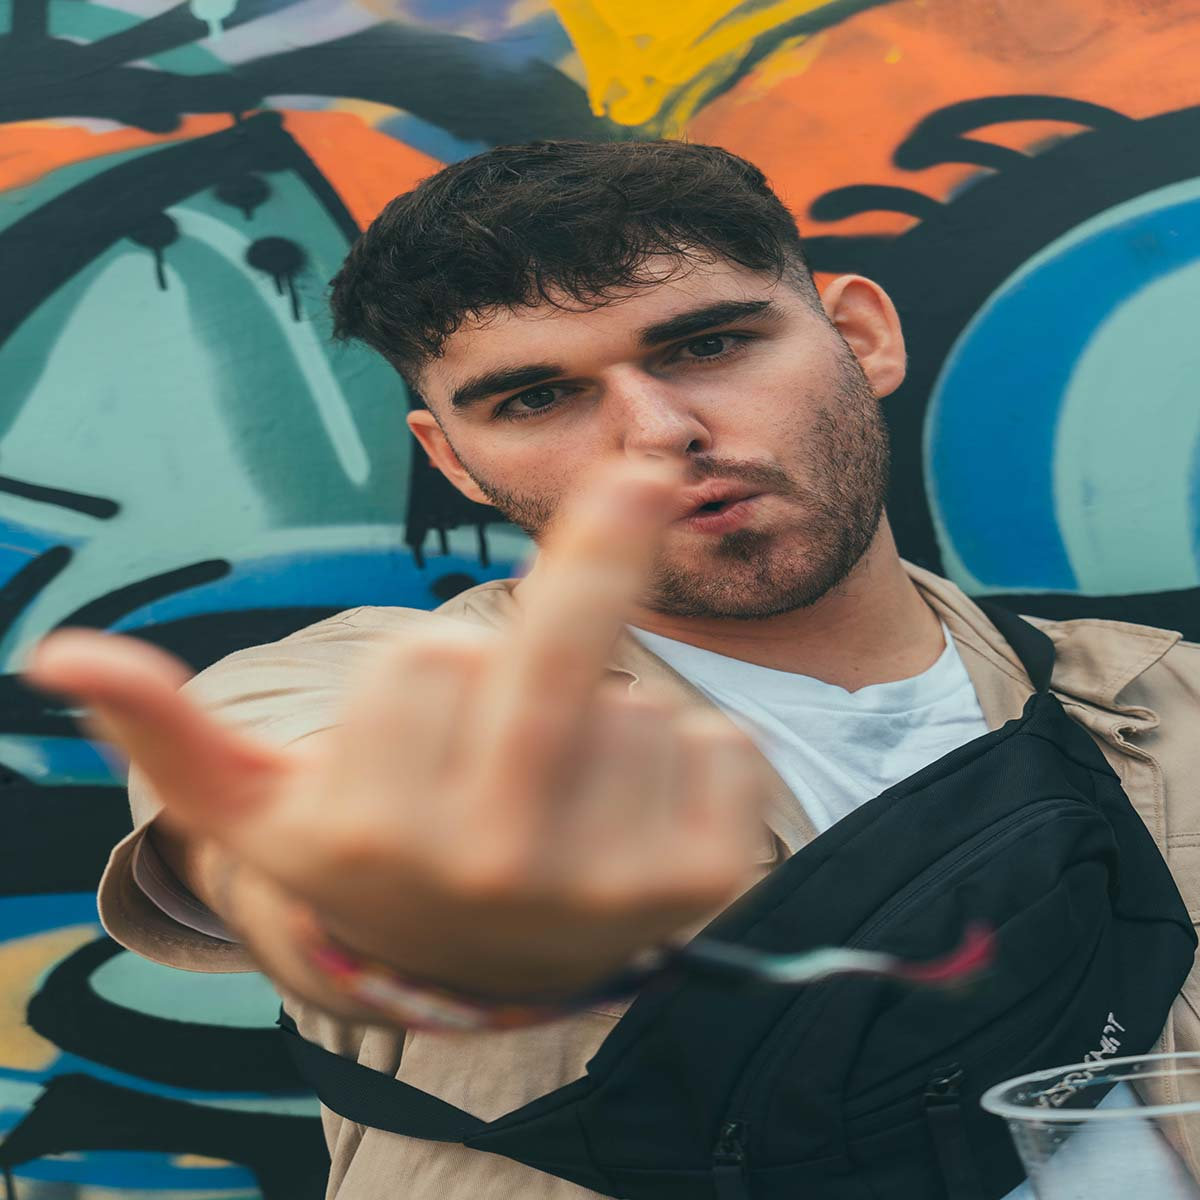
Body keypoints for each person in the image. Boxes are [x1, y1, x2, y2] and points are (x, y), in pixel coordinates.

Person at [24, 140, 1200, 1200]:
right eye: (537, 397)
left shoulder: (1166, 699)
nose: (657, 431)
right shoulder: (381, 682)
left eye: (709, 344)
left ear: (858, 335)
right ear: (454, 461)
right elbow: (300, 797)